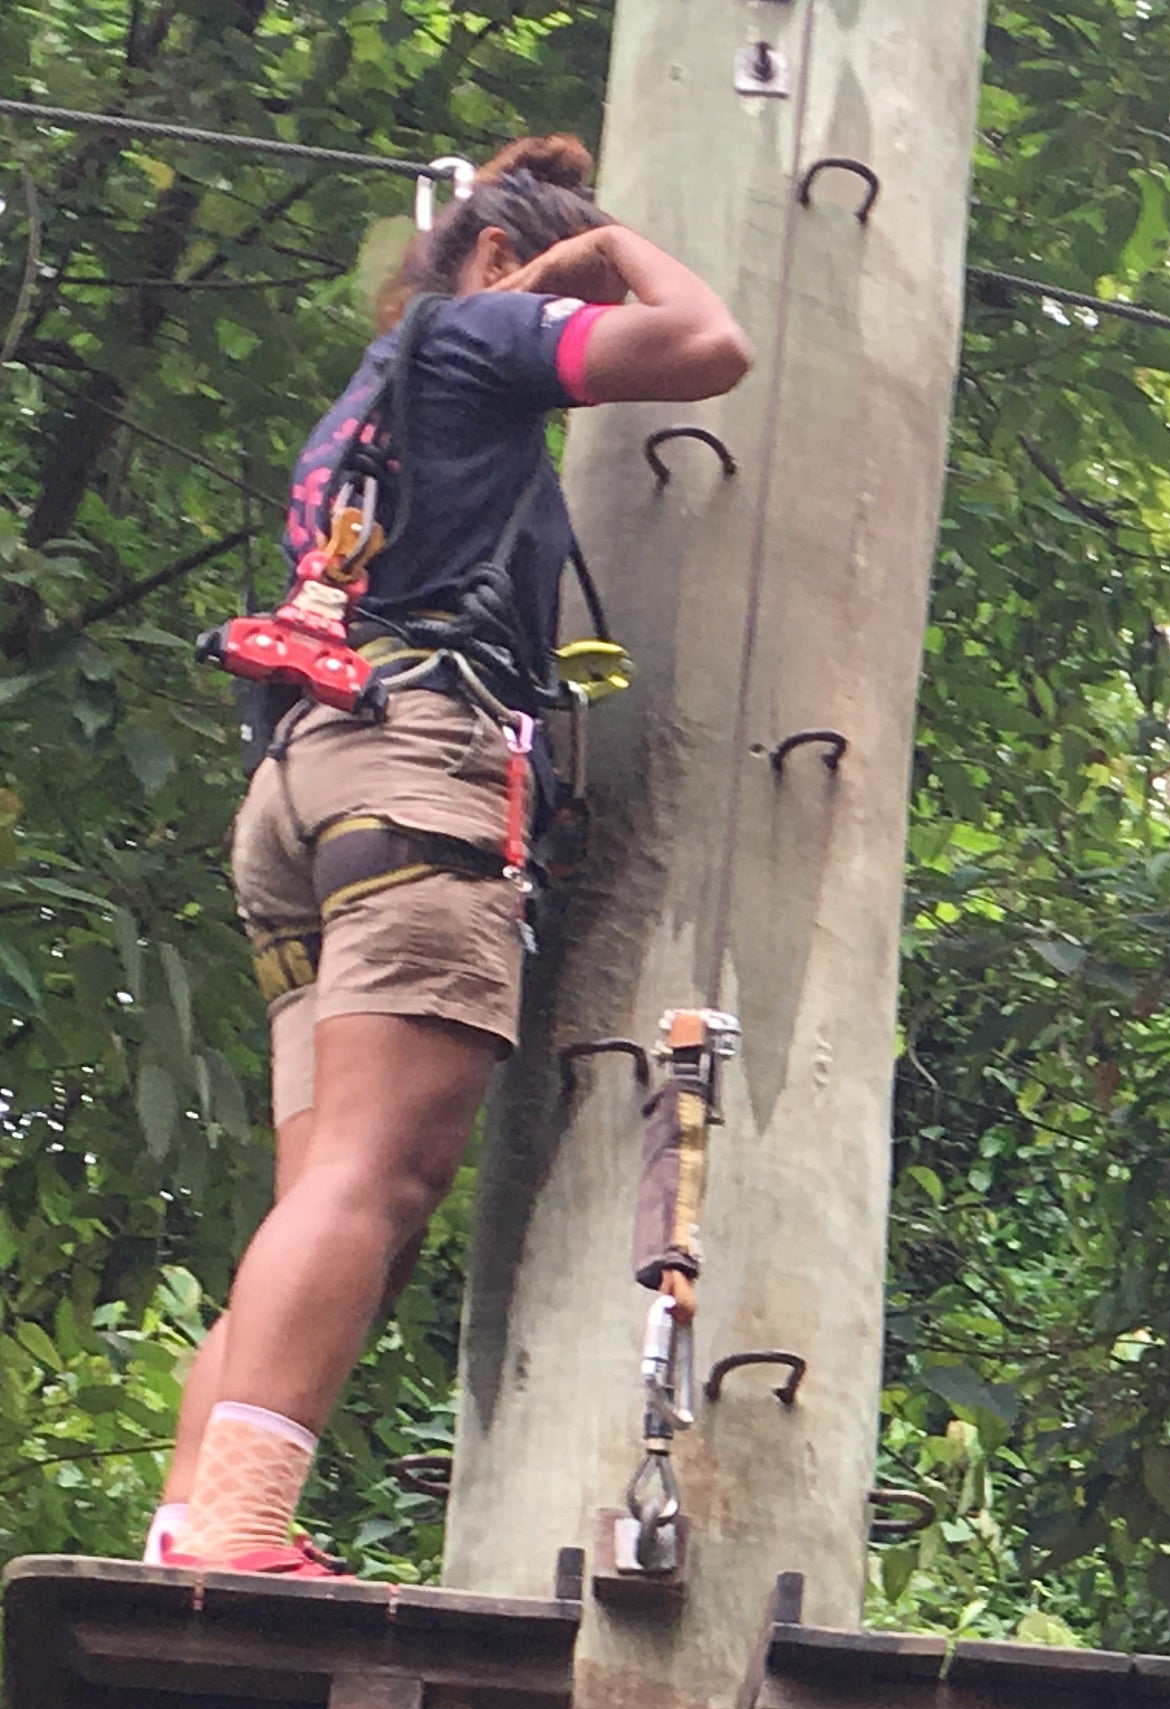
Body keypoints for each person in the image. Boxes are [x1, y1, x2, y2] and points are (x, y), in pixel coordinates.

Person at [152, 134, 749, 1575]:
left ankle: (192, 1511)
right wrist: (602, 263)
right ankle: (235, 1530)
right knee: (373, 1177)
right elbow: (708, 343)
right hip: (414, 771)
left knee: (330, 1195)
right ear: (499, 257)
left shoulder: (369, 403)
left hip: (305, 784)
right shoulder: (484, 327)